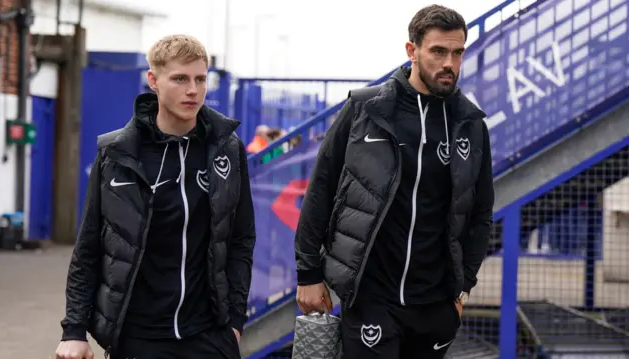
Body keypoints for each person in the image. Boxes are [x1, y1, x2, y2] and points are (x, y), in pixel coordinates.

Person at [294, 5, 494, 358]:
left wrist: (463, 288)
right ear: (411, 51)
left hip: (436, 304)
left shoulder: (470, 123)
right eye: (438, 51)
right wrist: (308, 273)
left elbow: (480, 211)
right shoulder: (365, 110)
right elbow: (321, 189)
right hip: (372, 297)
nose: (450, 62)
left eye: (457, 52)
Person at [55, 34, 256, 359]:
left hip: (208, 336)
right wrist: (74, 330)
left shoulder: (227, 149)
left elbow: (241, 239)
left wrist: (234, 321)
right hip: (138, 338)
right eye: (180, 78)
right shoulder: (117, 154)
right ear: (154, 80)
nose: (193, 90)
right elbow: (89, 246)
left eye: (201, 79)